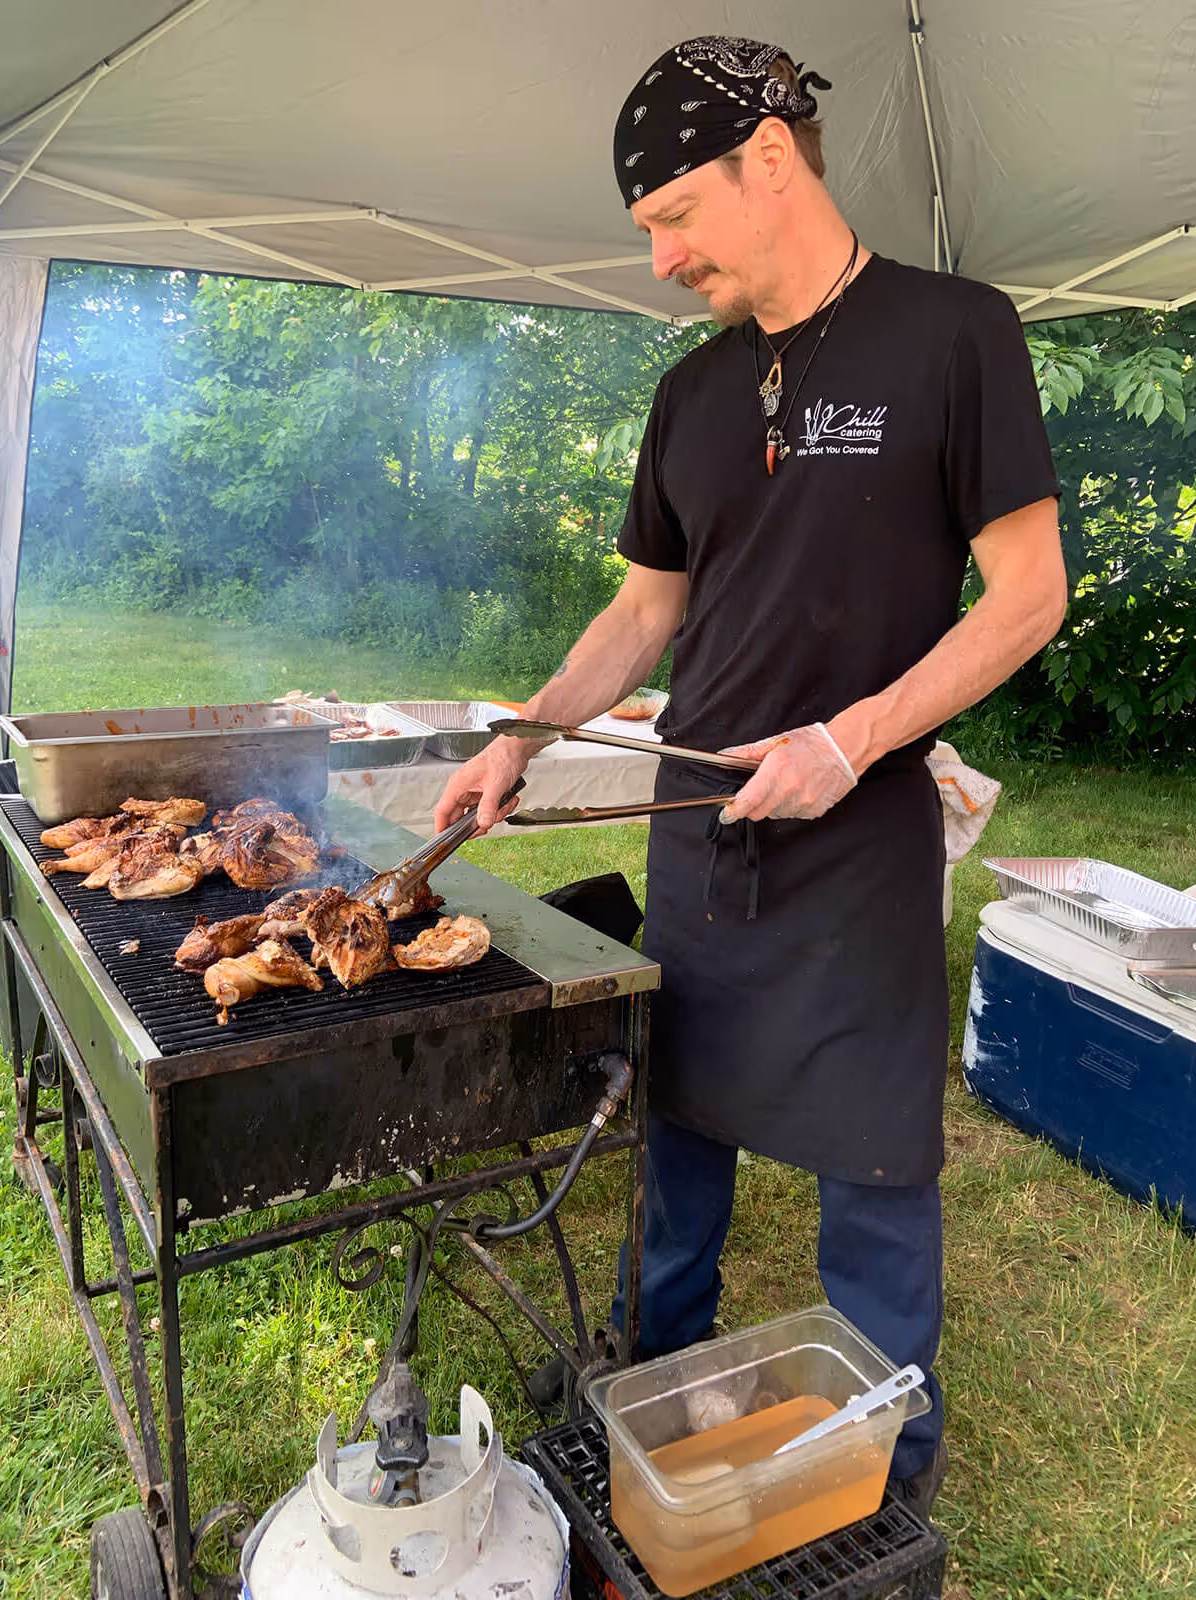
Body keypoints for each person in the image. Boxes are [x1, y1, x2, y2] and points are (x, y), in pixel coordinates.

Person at [434, 35, 1067, 1520]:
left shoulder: (958, 334)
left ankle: (889, 1473)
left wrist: (854, 741)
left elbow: (1029, 597)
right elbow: (646, 612)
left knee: (874, 1163)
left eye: (671, 216)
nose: (658, 257)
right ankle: (656, 1379)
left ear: (770, 159)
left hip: (857, 840)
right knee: (683, 1127)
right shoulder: (691, 394)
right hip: (698, 834)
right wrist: (525, 730)